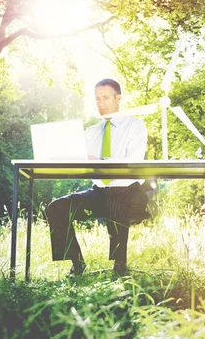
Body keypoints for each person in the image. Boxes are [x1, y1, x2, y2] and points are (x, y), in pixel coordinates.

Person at [46, 78, 148, 276]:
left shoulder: (135, 126)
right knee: (56, 207)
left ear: (118, 98)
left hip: (129, 191)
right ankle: (77, 264)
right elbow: (78, 159)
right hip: (99, 192)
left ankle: (119, 267)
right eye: (97, 99)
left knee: (115, 201)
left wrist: (101, 160)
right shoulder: (90, 132)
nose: (101, 103)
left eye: (106, 98)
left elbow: (133, 160)